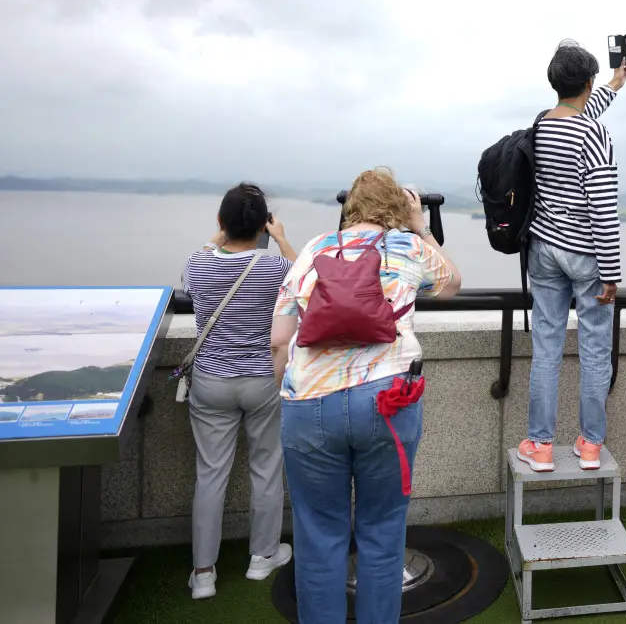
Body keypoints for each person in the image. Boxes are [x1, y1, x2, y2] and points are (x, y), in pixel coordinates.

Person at [272, 168, 462, 624]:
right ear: (398, 207)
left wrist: (287, 391)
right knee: (382, 532)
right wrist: (419, 226)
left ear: (349, 206)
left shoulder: (315, 249)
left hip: (309, 405)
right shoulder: (408, 246)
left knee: (318, 536)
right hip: (387, 401)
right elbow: (452, 283)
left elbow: (280, 338)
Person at [517, 40, 626, 473]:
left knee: (545, 346)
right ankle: (589, 445)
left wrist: (616, 84)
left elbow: (580, 109)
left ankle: (541, 446)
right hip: (585, 253)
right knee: (594, 350)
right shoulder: (594, 134)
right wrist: (612, 272)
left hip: (543, 249)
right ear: (587, 82)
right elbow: (604, 208)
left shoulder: (542, 125)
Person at [180, 183, 298, 600]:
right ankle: (262, 557)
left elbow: (196, 266)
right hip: (263, 380)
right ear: (263, 226)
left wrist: (219, 233)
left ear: (221, 222)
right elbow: (305, 281)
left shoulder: (197, 264)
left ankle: (204, 573)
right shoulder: (274, 269)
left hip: (211, 382)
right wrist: (281, 237)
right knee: (266, 468)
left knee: (210, 474)